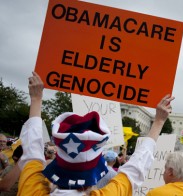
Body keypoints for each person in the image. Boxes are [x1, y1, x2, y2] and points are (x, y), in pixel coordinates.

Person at [17, 71, 174, 195]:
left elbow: (32, 152)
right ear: (96, 174)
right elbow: (135, 169)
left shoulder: (31, 190)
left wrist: (36, 99)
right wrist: (159, 121)